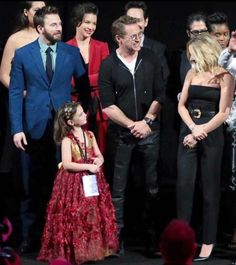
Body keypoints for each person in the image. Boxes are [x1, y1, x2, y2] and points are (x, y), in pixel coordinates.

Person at [8, 6, 85, 253]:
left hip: (63, 130)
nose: (59, 28)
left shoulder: (71, 53)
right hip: (33, 127)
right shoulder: (22, 54)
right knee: (31, 186)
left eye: (60, 23)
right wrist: (17, 128)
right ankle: (29, 239)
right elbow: (15, 93)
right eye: (53, 25)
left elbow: (83, 87)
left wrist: (81, 117)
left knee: (63, 185)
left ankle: (60, 239)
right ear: (40, 28)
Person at [99, 15, 165, 257]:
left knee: (152, 188)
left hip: (149, 132)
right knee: (118, 190)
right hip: (122, 135)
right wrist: (132, 125)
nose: (138, 39)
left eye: (139, 34)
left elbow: (160, 94)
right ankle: (115, 241)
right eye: (133, 36)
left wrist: (146, 121)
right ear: (119, 39)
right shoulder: (108, 64)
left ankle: (152, 240)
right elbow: (108, 105)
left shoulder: (150, 57)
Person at [37, 102, 119, 264]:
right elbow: (66, 164)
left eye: (83, 112)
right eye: (80, 114)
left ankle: (93, 248)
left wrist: (98, 160)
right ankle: (77, 249)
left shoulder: (90, 135)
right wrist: (88, 165)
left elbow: (100, 155)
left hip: (92, 178)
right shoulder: (67, 140)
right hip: (74, 183)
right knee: (76, 213)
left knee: (92, 211)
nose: (85, 115)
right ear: (70, 122)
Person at [177, 32, 234, 261]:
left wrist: (201, 131)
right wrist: (192, 128)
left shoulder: (225, 76)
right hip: (189, 130)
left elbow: (224, 113)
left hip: (211, 133)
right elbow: (182, 105)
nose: (191, 60)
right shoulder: (192, 72)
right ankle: (183, 240)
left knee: (210, 190)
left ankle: (208, 242)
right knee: (184, 188)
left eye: (194, 56)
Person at [0, 1, 46, 248]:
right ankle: (26, 234)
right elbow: (4, 75)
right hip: (25, 109)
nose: (41, 12)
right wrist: (25, 92)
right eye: (37, 8)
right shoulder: (16, 39)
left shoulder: (50, 35)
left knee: (45, 173)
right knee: (24, 174)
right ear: (26, 12)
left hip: (48, 113)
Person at [66, 2, 110, 155]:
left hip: (98, 106)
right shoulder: (65, 47)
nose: (91, 26)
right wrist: (91, 81)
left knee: (100, 150)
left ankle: (100, 179)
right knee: (78, 150)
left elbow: (105, 76)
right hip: (75, 106)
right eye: (87, 22)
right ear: (77, 21)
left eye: (94, 23)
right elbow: (66, 79)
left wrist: (80, 81)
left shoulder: (102, 46)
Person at [219, 30, 236, 255]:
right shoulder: (231, 56)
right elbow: (220, 67)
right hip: (234, 121)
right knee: (234, 179)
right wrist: (230, 49)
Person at [124, 1, 169, 83]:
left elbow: (163, 80)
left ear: (146, 22)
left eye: (138, 20)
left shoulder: (158, 49)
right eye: (130, 20)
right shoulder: (116, 49)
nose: (134, 25)